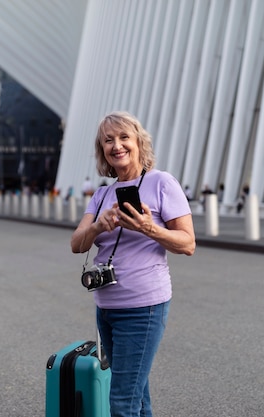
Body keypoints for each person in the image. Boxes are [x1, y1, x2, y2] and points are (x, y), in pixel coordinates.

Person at [70, 111, 195, 417]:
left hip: (144, 307)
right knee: (137, 398)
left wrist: (148, 227)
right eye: (108, 140)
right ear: (103, 150)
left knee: (123, 403)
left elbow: (188, 244)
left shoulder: (161, 183)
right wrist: (99, 226)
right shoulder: (101, 195)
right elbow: (77, 244)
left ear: (139, 142)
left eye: (124, 137)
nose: (117, 145)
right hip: (107, 309)